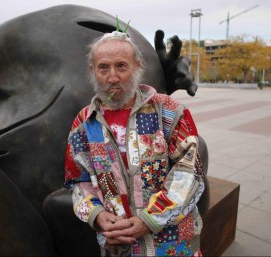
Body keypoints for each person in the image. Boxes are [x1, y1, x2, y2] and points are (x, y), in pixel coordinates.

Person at [64, 30, 205, 257]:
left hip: (174, 245)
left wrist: (150, 219)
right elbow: (77, 181)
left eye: (121, 66)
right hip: (118, 246)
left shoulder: (169, 111)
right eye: (103, 68)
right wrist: (96, 214)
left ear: (137, 66)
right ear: (92, 71)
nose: (112, 77)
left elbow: (190, 174)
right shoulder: (84, 123)